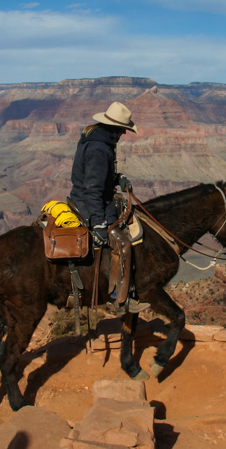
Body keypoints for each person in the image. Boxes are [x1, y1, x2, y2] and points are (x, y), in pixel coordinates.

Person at [68, 102, 148, 314]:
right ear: (114, 128)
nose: (124, 133)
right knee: (122, 243)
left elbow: (97, 177)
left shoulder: (96, 140)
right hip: (90, 203)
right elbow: (93, 188)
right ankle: (118, 299)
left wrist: (116, 178)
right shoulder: (99, 148)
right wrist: (99, 222)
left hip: (90, 199)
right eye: (123, 129)